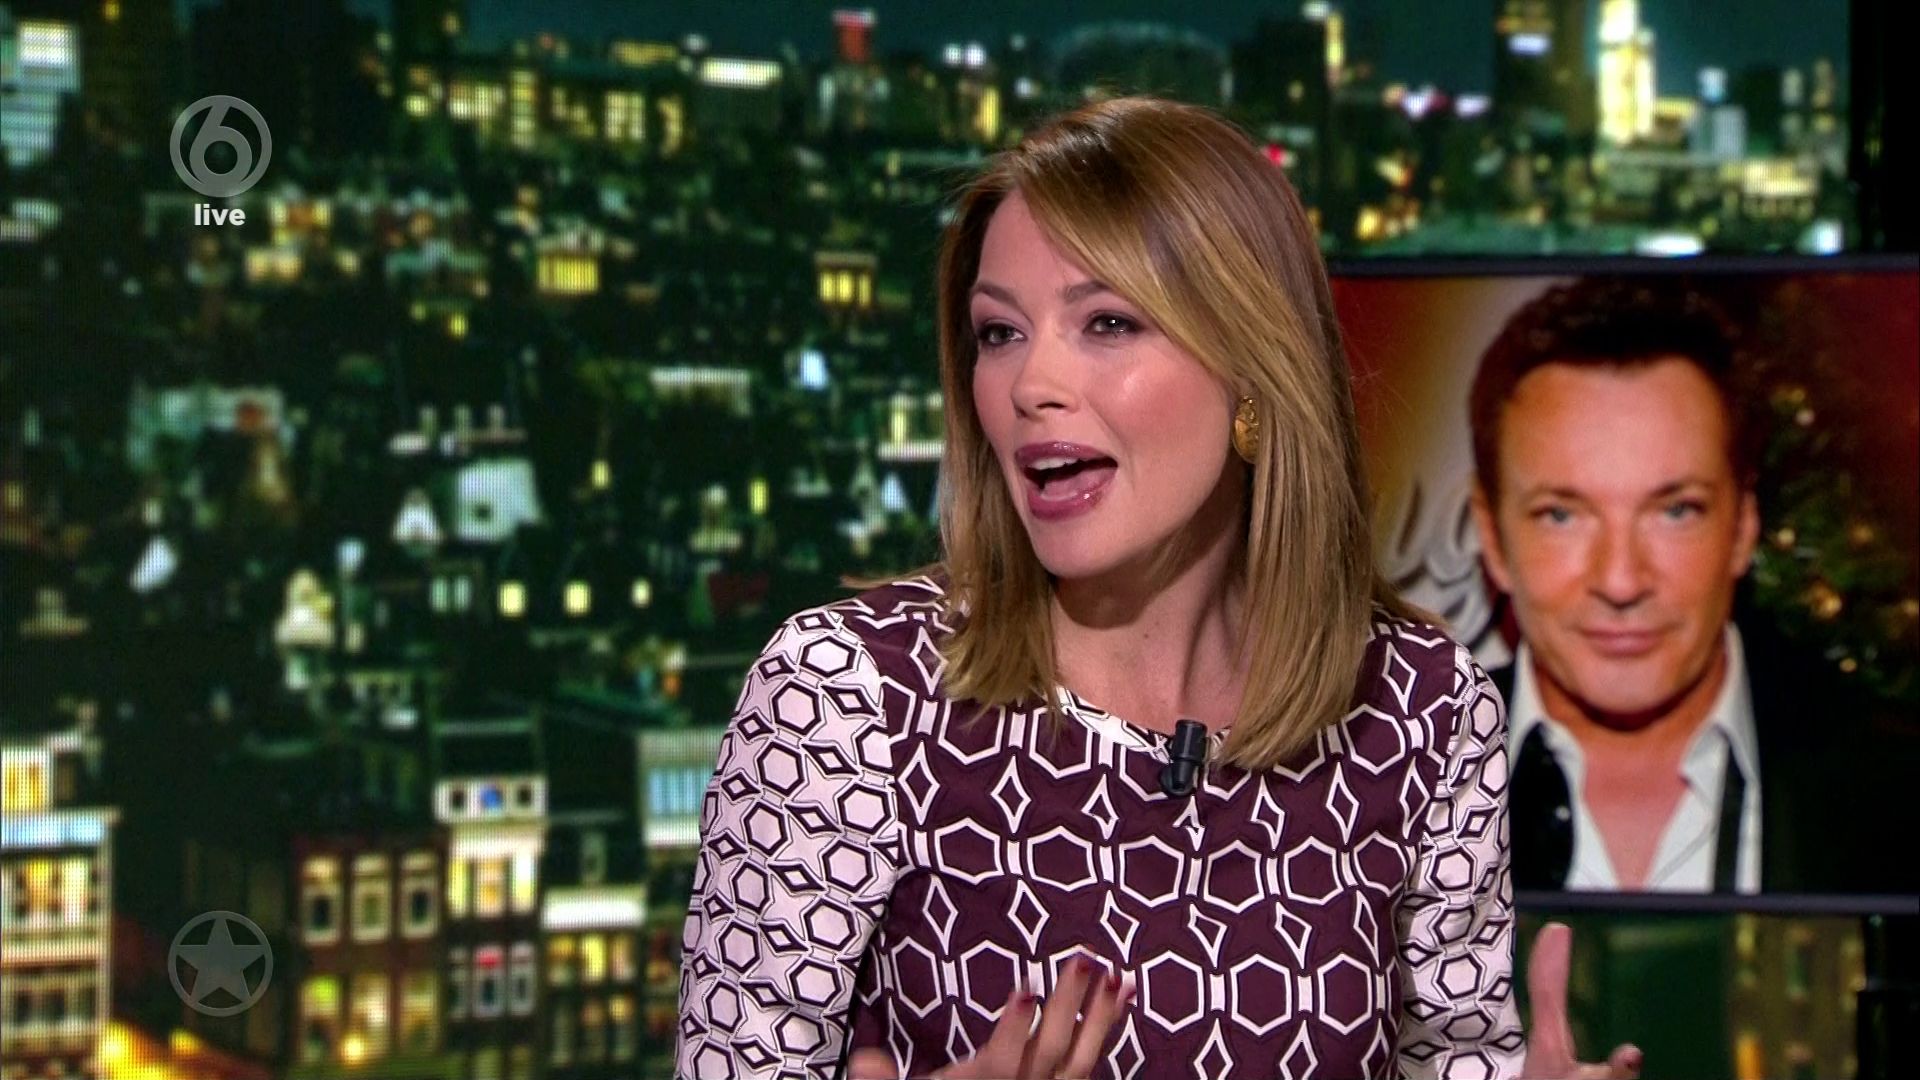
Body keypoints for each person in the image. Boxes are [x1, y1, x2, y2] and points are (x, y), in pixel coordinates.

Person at [678, 97, 1638, 1079]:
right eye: (999, 333)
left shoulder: (1419, 708)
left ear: (1254, 371)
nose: (1030, 385)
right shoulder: (846, 696)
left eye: (1107, 322)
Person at [1467, 279, 1917, 895]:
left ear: (1744, 526)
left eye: (1676, 511)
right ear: (1493, 537)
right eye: (1561, 515)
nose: (1621, 581)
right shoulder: (1380, 792)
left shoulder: (1894, 790)